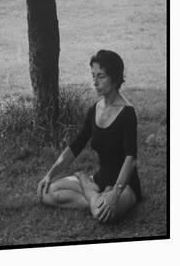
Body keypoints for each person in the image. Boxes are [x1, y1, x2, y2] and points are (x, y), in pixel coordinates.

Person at [37, 50, 141, 224]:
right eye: (93, 75)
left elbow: (131, 158)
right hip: (100, 180)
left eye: (101, 76)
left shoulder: (127, 113)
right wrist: (50, 174)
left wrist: (115, 193)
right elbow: (76, 145)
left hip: (125, 185)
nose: (95, 82)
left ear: (115, 78)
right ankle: (95, 197)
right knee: (45, 193)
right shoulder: (94, 109)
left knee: (102, 215)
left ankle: (87, 186)